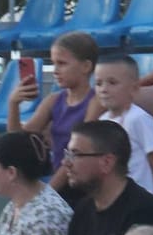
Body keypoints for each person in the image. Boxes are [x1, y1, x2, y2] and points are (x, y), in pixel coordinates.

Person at [63, 120, 153, 235]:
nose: (66, 163)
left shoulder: (143, 214)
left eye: (75, 154)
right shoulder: (83, 211)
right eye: (67, 154)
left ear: (107, 162)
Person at [11, 31, 100, 178]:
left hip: (82, 182)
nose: (55, 71)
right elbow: (17, 141)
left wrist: (52, 189)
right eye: (54, 63)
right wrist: (13, 104)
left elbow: (77, 153)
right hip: (58, 179)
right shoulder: (54, 100)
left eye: (62, 63)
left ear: (86, 66)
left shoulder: (95, 102)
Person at [93, 54, 153, 198]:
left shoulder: (140, 119)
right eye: (98, 83)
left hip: (142, 201)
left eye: (112, 83)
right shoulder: (102, 121)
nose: (103, 89)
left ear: (134, 88)